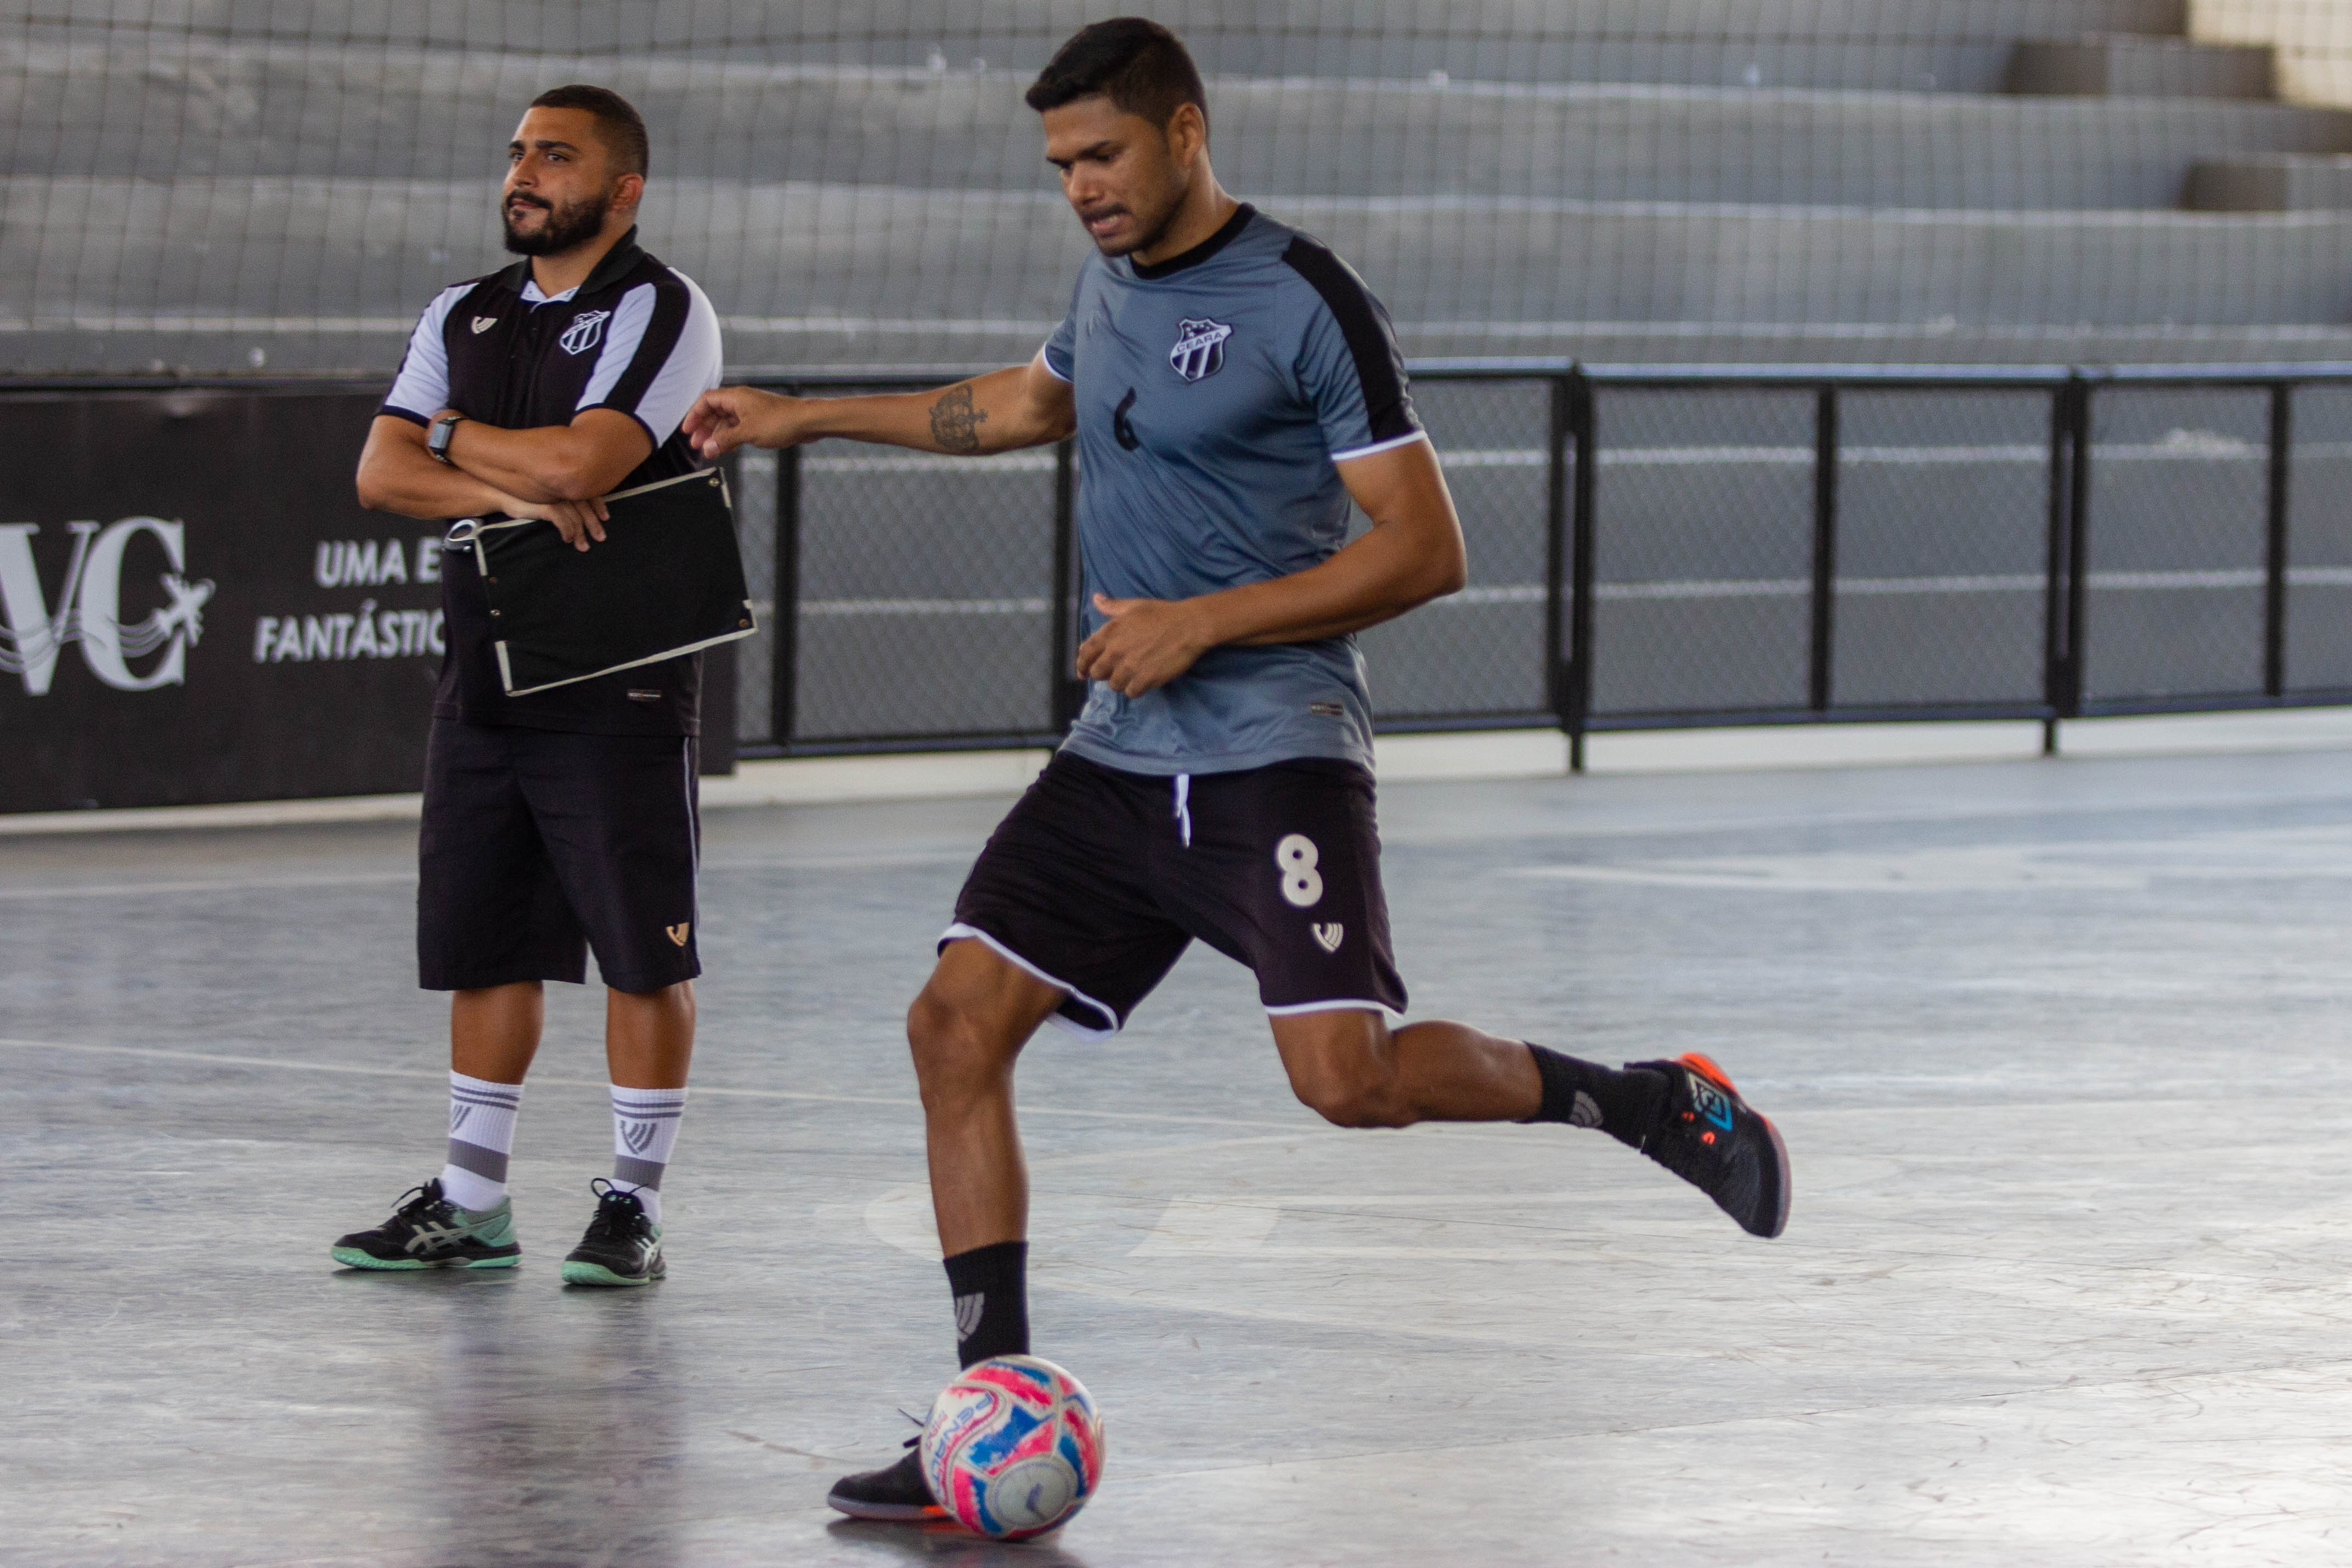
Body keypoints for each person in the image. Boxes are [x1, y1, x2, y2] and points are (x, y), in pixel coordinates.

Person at [685, 19, 1791, 1517]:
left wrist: (1203, 623)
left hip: (1273, 748)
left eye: (1105, 155)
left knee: (1349, 1084)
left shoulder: (1305, 300)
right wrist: (802, 413)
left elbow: (1427, 547)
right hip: (1118, 755)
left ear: (1187, 132)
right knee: (954, 1025)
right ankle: (987, 1404)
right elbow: (1023, 403)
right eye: (1062, 164)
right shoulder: (1107, 281)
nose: (1081, 187)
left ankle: (1655, 1103)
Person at [332, 84, 724, 1288]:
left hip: (616, 679)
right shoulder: (464, 311)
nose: (524, 173)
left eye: (555, 156)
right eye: (516, 152)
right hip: (485, 676)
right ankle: (470, 1201)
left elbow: (584, 460)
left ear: (622, 189)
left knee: (641, 954)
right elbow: (378, 472)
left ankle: (631, 1207)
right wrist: (502, 486)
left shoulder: (660, 306)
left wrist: (451, 437)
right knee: (484, 943)